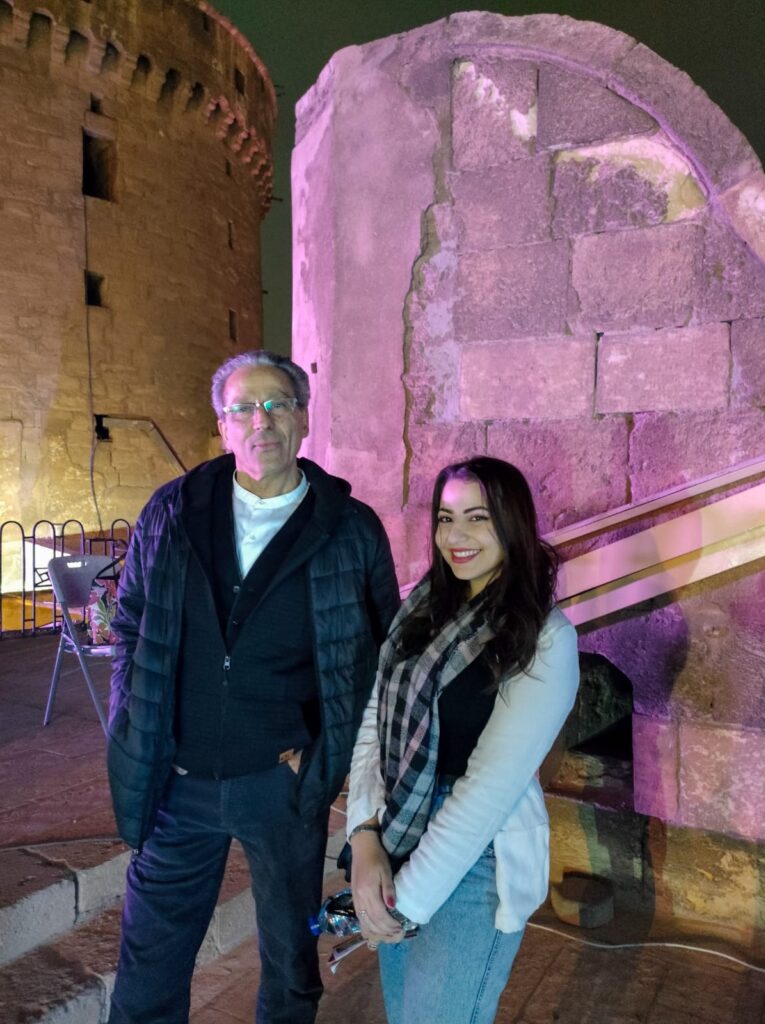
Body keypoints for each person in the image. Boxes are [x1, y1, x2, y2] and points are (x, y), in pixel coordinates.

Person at [106, 350, 400, 1024]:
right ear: (223, 426)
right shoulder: (173, 511)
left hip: (281, 786)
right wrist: (134, 723)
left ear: (303, 419)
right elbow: (129, 622)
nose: (260, 420)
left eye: (277, 404)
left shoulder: (349, 528)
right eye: (243, 407)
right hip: (175, 782)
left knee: (290, 965)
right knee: (148, 968)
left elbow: (385, 658)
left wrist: (324, 757)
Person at [346, 456, 579, 1024]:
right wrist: (363, 836)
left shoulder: (545, 637)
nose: (457, 536)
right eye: (446, 519)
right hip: (397, 830)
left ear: (512, 524)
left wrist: (402, 905)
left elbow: (487, 791)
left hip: (477, 859)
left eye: (478, 518)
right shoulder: (423, 608)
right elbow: (376, 719)